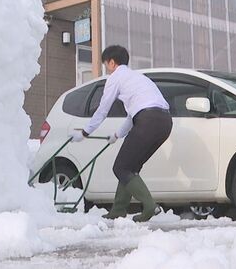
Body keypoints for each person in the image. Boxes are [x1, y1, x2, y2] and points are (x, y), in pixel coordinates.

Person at [68, 45, 172, 222]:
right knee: (130, 167)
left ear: (111, 62)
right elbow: (134, 114)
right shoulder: (139, 78)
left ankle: (150, 206)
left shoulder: (116, 78)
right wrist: (116, 135)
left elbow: (102, 110)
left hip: (147, 121)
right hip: (164, 122)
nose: (106, 69)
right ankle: (119, 209)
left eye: (105, 65)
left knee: (120, 167)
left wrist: (85, 133)